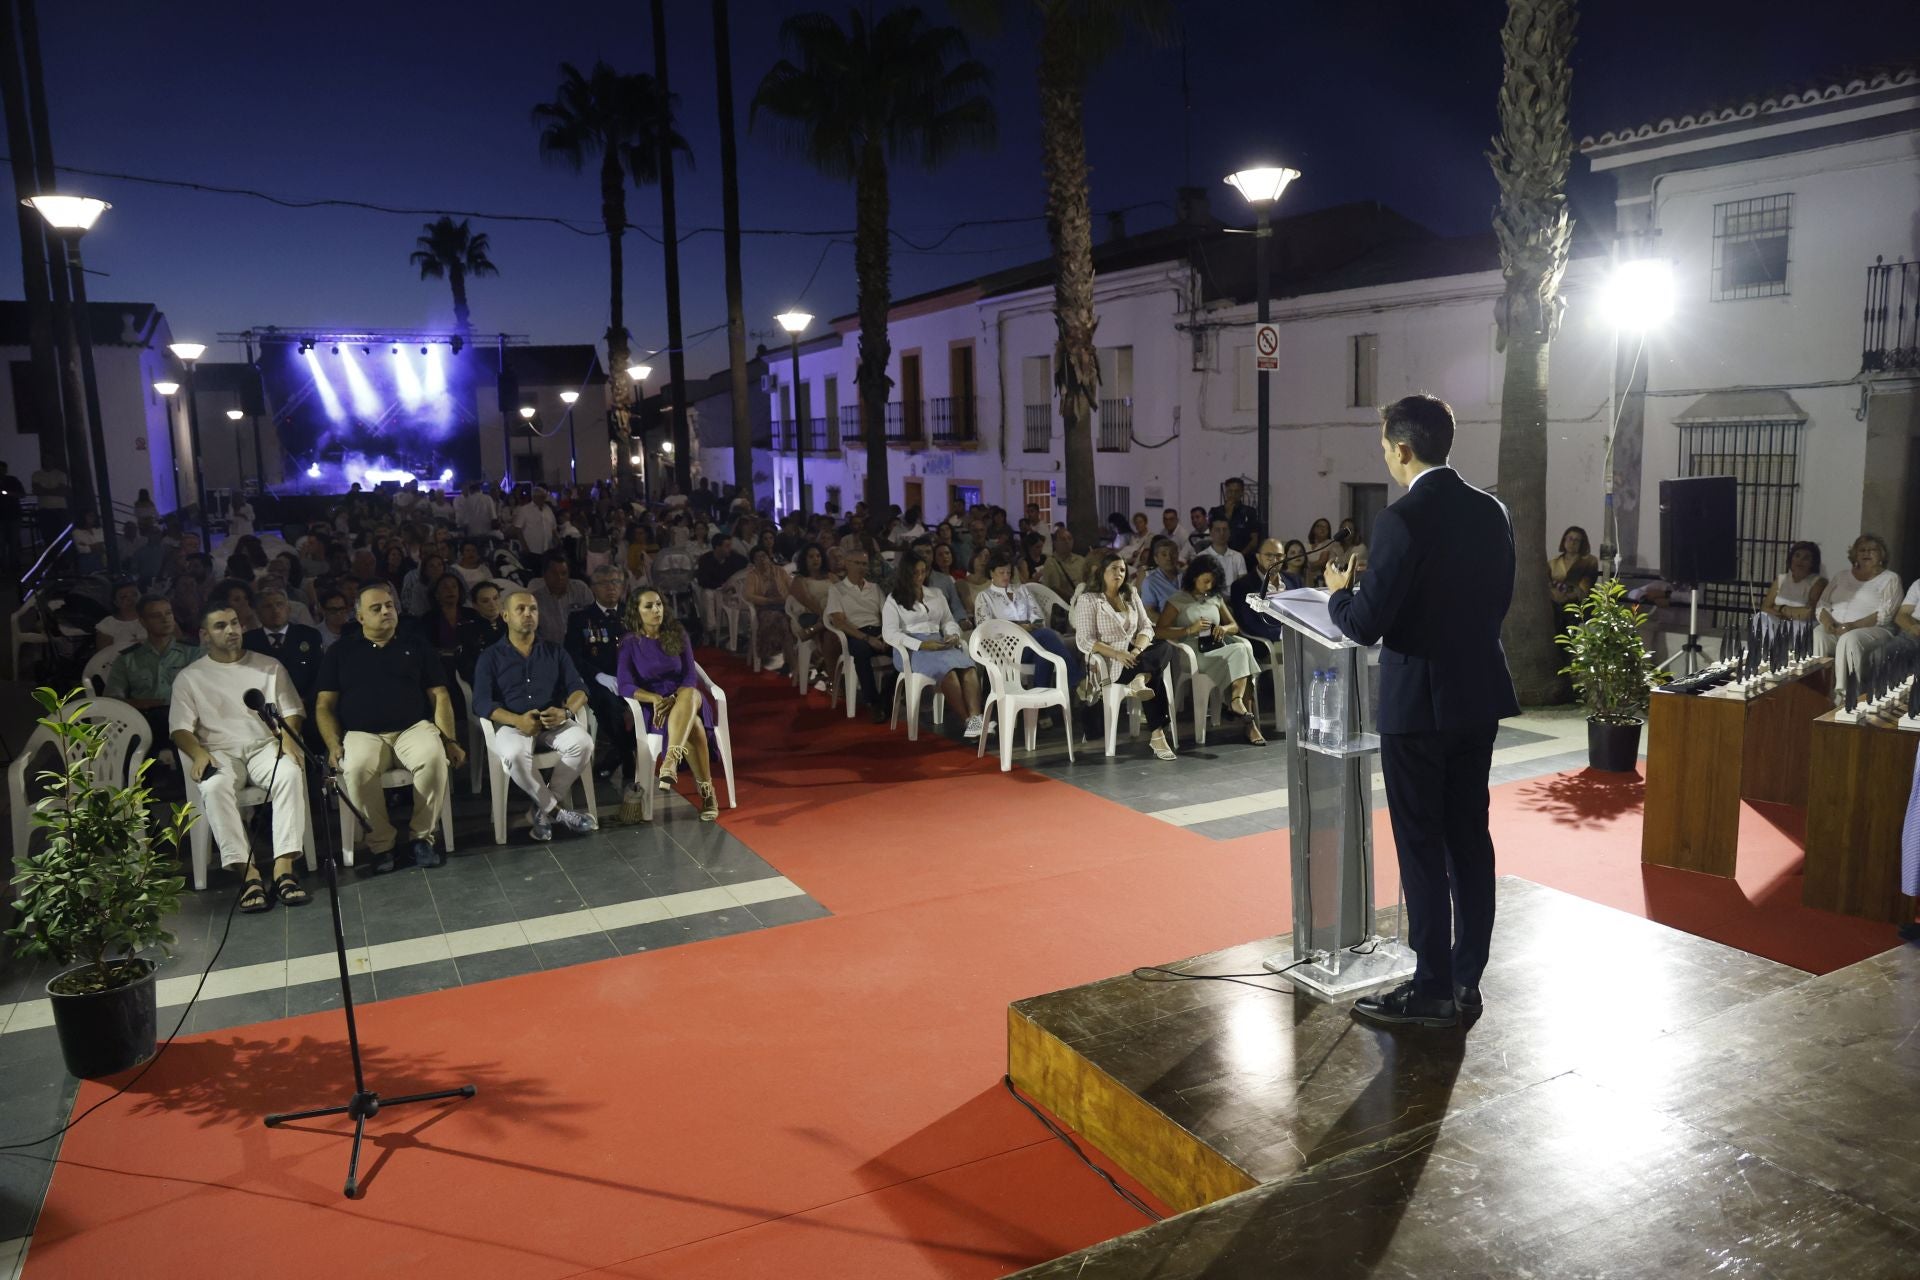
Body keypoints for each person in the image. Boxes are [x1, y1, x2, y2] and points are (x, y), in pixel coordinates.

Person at [1326, 393, 1518, 1029]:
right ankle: (1466, 980)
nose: (1385, 456)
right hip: (1477, 694)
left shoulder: (1401, 519)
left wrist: (1337, 595)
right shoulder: (1492, 511)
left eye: (1386, 447)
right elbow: (1499, 599)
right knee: (1470, 840)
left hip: (1417, 705)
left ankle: (1431, 987)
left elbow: (1365, 624)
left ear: (1403, 449)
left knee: (1421, 846)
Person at [169, 601, 313, 913]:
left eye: (235, 623)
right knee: (214, 787)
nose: (231, 630)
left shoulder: (268, 666)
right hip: (219, 751)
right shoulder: (190, 677)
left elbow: (292, 710)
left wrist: (289, 739)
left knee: (289, 773)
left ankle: (284, 869)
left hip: (264, 745)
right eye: (221, 626)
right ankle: (248, 875)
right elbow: (179, 729)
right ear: (204, 635)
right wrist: (197, 753)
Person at [315, 584, 464, 872]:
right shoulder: (341, 651)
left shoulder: (416, 644)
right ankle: (382, 845)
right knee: (356, 768)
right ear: (360, 617)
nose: (386, 611)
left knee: (433, 758)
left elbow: (440, 695)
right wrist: (333, 744)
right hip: (363, 733)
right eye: (376, 608)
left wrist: (450, 740)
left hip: (412, 728)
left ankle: (422, 838)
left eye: (389, 606)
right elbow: (324, 705)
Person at [470, 590, 599, 841]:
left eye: (533, 609)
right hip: (513, 724)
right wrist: (516, 720)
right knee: (514, 755)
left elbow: (579, 688)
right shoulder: (490, 657)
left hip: (552, 720)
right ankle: (558, 812)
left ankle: (541, 811)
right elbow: (481, 702)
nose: (528, 614)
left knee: (583, 743)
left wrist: (566, 712)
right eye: (520, 609)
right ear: (505, 616)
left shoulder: (554, 651)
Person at [617, 588, 722, 820]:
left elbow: (689, 677)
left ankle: (671, 760)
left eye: (659, 604)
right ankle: (707, 794)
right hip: (657, 708)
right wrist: (654, 698)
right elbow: (624, 685)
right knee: (694, 725)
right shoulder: (629, 643)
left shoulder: (677, 633)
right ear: (636, 611)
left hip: (685, 696)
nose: (656, 610)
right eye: (649, 606)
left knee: (691, 694)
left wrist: (675, 697)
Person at [1072, 552, 1178, 759]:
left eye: (1122, 569)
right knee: (1154, 674)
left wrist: (1136, 650)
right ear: (1102, 572)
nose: (1119, 573)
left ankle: (1140, 679)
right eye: (1114, 568)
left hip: (1136, 655)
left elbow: (1147, 627)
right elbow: (1084, 640)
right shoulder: (1089, 599)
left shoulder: (1131, 593)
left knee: (1164, 646)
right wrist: (1117, 653)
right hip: (1111, 662)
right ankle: (1157, 734)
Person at [1158, 559, 1264, 744]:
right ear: (1194, 577)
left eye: (1213, 581)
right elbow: (1159, 631)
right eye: (1206, 581)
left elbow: (1234, 626)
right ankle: (1244, 717)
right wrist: (1189, 629)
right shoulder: (1177, 600)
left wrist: (1223, 629)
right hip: (1194, 652)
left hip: (1218, 646)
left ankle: (1238, 704)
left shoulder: (1215, 598)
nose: (1209, 585)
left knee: (1244, 648)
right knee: (1243, 652)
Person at [882, 552, 984, 739]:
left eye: (923, 572)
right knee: (949, 673)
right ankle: (968, 721)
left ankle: (975, 721)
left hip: (938, 642)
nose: (920, 576)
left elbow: (948, 621)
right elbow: (890, 634)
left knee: (969, 668)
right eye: (915, 573)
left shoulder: (935, 594)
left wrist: (953, 635)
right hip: (913, 649)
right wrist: (921, 644)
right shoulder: (894, 600)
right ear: (906, 573)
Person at [972, 550, 1083, 697]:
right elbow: (985, 627)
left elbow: (1038, 617)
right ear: (991, 573)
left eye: (1008, 572)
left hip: (1032, 640)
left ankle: (1039, 705)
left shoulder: (1021, 590)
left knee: (1045, 653)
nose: (1006, 576)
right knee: (1046, 636)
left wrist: (1030, 626)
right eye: (1001, 572)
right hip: (1007, 647)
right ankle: (1077, 680)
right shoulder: (985, 597)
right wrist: (1017, 627)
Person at [1816, 534, 1903, 707]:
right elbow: (1822, 603)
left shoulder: (1890, 578)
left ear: (1882, 555)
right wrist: (1828, 622)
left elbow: (1886, 613)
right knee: (1818, 633)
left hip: (1875, 629)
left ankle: (1845, 695)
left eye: (1872, 550)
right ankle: (1820, 687)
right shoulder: (1841, 576)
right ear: (1855, 554)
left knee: (1850, 638)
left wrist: (1852, 626)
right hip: (1838, 627)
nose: (1866, 553)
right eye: (1862, 550)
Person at [566, 563, 634, 780]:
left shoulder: (633, 613)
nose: (610, 587)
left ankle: (617, 754)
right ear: (593, 588)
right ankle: (628, 756)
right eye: (603, 583)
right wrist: (599, 675)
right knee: (609, 705)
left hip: (632, 679)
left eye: (615, 582)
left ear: (623, 586)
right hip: (597, 680)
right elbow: (573, 655)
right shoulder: (580, 618)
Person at [106, 595, 202, 749]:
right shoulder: (128, 659)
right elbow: (113, 700)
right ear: (143, 622)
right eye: (156, 616)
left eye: (168, 613)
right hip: (144, 721)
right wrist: (144, 703)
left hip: (185, 720)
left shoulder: (193, 653)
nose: (165, 619)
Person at [826, 549, 892, 723]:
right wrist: (867, 638)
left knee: (905, 651)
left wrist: (886, 634)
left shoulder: (875, 588)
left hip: (879, 631)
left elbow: (887, 614)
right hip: (856, 633)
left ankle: (887, 696)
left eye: (864, 564)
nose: (862, 567)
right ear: (847, 564)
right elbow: (839, 622)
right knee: (861, 652)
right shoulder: (837, 589)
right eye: (857, 563)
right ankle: (873, 702)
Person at [244, 586, 326, 713]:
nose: (275, 610)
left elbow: (320, 674)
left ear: (288, 609)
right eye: (267, 606)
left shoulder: (309, 635)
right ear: (257, 612)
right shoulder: (248, 641)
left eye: (279, 604)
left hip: (307, 707)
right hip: (265, 710)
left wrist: (304, 700)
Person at [788, 544, 836, 689]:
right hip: (808, 616)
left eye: (818, 556)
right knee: (830, 631)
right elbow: (807, 601)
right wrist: (825, 615)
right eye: (811, 556)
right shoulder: (799, 579)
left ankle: (817, 633)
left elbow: (844, 594)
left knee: (832, 632)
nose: (816, 559)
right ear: (804, 559)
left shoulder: (830, 576)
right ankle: (833, 678)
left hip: (829, 616)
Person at [740, 546, 794, 672]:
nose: (762, 559)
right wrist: (769, 600)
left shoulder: (779, 571)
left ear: (768, 557)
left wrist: (785, 599)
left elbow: (792, 588)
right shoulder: (752, 576)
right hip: (765, 608)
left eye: (763, 556)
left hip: (783, 605)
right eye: (757, 557)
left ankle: (792, 660)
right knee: (782, 620)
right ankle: (791, 663)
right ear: (754, 561)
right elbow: (748, 595)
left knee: (793, 618)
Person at [1231, 539, 1294, 643]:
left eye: (1279, 556)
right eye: (1269, 555)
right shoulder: (1241, 586)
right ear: (1258, 557)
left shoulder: (1294, 581)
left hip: (1298, 640)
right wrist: (1283, 635)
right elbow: (1249, 624)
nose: (1274, 560)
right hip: (1267, 642)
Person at [529, 553, 592, 647]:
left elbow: (594, 617)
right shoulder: (534, 600)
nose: (560, 578)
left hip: (582, 647)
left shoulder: (581, 590)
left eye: (564, 573)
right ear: (544, 575)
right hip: (550, 651)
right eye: (554, 573)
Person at [458, 580, 508, 685]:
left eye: (495, 598)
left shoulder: (513, 624)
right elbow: (467, 670)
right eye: (485, 601)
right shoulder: (467, 631)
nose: (492, 604)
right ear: (475, 605)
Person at [1761, 541, 1827, 620]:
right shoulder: (1781, 579)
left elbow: (1809, 613)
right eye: (1797, 556)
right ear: (1791, 558)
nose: (1800, 561)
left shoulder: (1818, 582)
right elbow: (1765, 608)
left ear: (1812, 563)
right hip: (1777, 622)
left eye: (1806, 558)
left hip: (1801, 624)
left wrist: (1780, 608)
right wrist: (1788, 614)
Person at [1548, 526, 1599, 624]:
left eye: (1577, 540)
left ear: (1582, 543)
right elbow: (1546, 584)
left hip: (1578, 606)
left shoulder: (1589, 561)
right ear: (1564, 540)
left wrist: (1565, 598)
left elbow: (1584, 588)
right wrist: (1555, 596)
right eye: (1570, 538)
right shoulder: (1553, 562)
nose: (1572, 543)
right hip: (1554, 604)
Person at [1209, 477, 1260, 553]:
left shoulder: (1250, 512)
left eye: (1236, 491)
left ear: (1242, 493)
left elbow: (1254, 540)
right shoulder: (1215, 511)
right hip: (1220, 555)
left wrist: (1239, 556)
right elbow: (1213, 536)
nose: (1233, 494)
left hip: (1244, 556)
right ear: (1226, 492)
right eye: (1230, 491)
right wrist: (1228, 515)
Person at [95, 581, 147, 651]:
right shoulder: (108, 624)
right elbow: (103, 653)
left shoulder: (154, 617)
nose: (130, 599)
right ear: (116, 603)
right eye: (123, 597)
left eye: (135, 595)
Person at [1195, 518, 1247, 587]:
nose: (1222, 533)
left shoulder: (1238, 556)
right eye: (1217, 530)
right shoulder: (1201, 558)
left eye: (1225, 529)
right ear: (1210, 532)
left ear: (1229, 532)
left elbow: (1243, 585)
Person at [1039, 528, 1087, 602]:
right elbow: (1055, 590)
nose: (1067, 542)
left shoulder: (1081, 560)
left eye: (1070, 539)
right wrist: (1076, 601)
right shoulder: (1051, 562)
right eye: (1063, 539)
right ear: (1055, 543)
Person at [1140, 537, 1184, 614]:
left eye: (1172, 554)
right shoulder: (1150, 582)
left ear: (1177, 556)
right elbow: (1149, 612)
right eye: (1164, 555)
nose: (1169, 558)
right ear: (1156, 559)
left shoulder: (1187, 576)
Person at [1304, 517, 1335, 587]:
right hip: (1304, 578)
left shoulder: (1329, 543)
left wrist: (1305, 566)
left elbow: (1321, 562)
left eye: (1326, 527)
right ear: (1313, 529)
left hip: (1320, 580)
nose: (1322, 529)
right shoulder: (1306, 545)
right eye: (1319, 526)